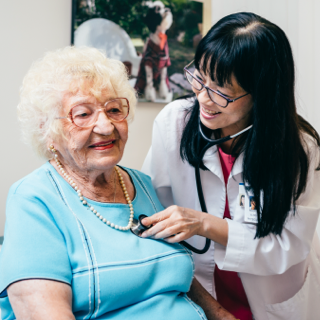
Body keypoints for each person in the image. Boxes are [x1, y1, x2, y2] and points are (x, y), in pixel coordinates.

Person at [0, 47, 235, 320]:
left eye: (114, 110)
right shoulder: (34, 200)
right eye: (83, 114)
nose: (106, 127)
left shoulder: (145, 185)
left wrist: (221, 315)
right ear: (48, 131)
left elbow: (173, 272)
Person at [141, 12, 320, 320]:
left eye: (222, 91)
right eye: (199, 78)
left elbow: (287, 245)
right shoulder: (174, 122)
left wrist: (206, 224)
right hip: (198, 293)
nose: (204, 99)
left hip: (270, 296)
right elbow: (151, 205)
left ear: (262, 95)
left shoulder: (298, 149)